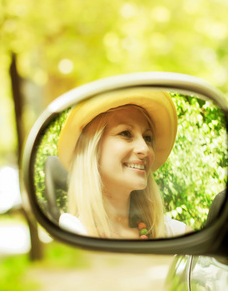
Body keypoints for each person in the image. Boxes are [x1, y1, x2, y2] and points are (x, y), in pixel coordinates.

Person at [56, 88, 192, 239]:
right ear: (93, 148)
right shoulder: (72, 230)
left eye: (148, 137)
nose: (144, 149)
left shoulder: (172, 232)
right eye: (125, 133)